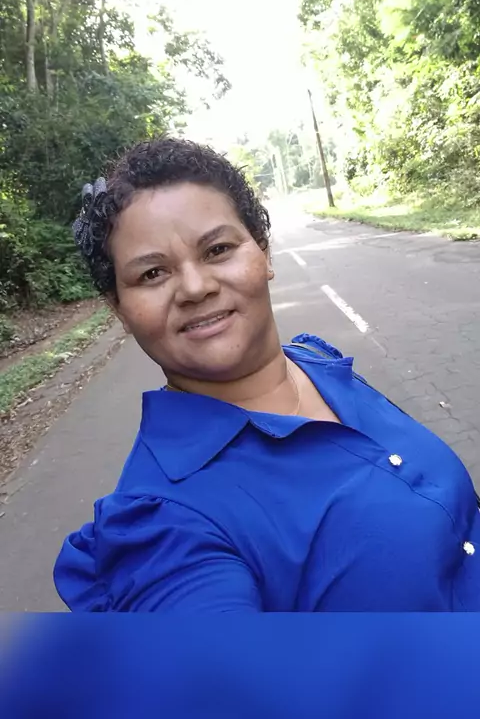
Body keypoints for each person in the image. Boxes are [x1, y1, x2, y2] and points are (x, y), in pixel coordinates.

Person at [54, 135, 480, 612]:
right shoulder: (162, 523)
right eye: (152, 274)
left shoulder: (316, 362)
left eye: (217, 249)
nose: (195, 287)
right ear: (119, 308)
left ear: (263, 252)